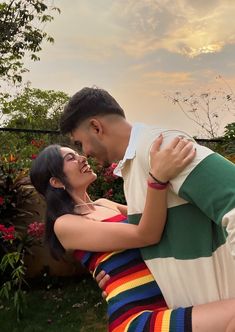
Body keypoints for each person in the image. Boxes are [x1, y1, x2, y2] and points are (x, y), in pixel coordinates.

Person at [30, 140, 235, 332]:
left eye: (77, 153)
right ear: (56, 182)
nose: (82, 158)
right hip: (137, 318)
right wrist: (156, 179)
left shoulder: (104, 203)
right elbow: (146, 234)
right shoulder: (65, 224)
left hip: (171, 300)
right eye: (70, 159)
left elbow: (156, 219)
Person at [60, 87, 235, 310]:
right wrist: (114, 276)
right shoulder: (134, 168)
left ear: (96, 127)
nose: (84, 152)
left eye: (79, 143)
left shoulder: (162, 148)